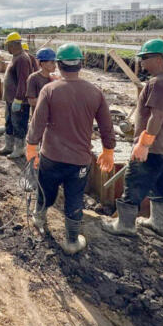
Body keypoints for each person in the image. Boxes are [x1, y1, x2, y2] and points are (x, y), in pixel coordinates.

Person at [26, 43, 115, 254]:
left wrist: (31, 147)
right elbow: (106, 126)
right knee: (75, 198)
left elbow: (37, 123)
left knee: (45, 189)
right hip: (79, 161)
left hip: (51, 157)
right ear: (80, 64)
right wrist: (108, 151)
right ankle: (72, 241)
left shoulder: (50, 90)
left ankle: (39, 219)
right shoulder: (95, 92)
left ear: (59, 65)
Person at [102, 39, 163, 237]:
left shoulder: (158, 83)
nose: (142, 63)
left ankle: (125, 225)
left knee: (135, 182)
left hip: (153, 148)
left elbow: (157, 115)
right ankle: (157, 223)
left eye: (145, 58)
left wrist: (144, 143)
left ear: (159, 59)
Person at [0, 32, 34, 159]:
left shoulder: (22, 59)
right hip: (11, 99)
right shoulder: (16, 57)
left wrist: (18, 99)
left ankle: (19, 149)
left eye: (7, 45)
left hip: (19, 101)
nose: (7, 48)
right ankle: (9, 146)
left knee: (19, 124)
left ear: (13, 45)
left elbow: (24, 81)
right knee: (10, 123)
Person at [25, 47, 58, 111]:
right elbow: (31, 101)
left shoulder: (54, 78)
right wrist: (51, 100)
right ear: (42, 63)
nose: (55, 65)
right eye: (52, 62)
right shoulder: (33, 78)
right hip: (40, 115)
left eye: (55, 62)